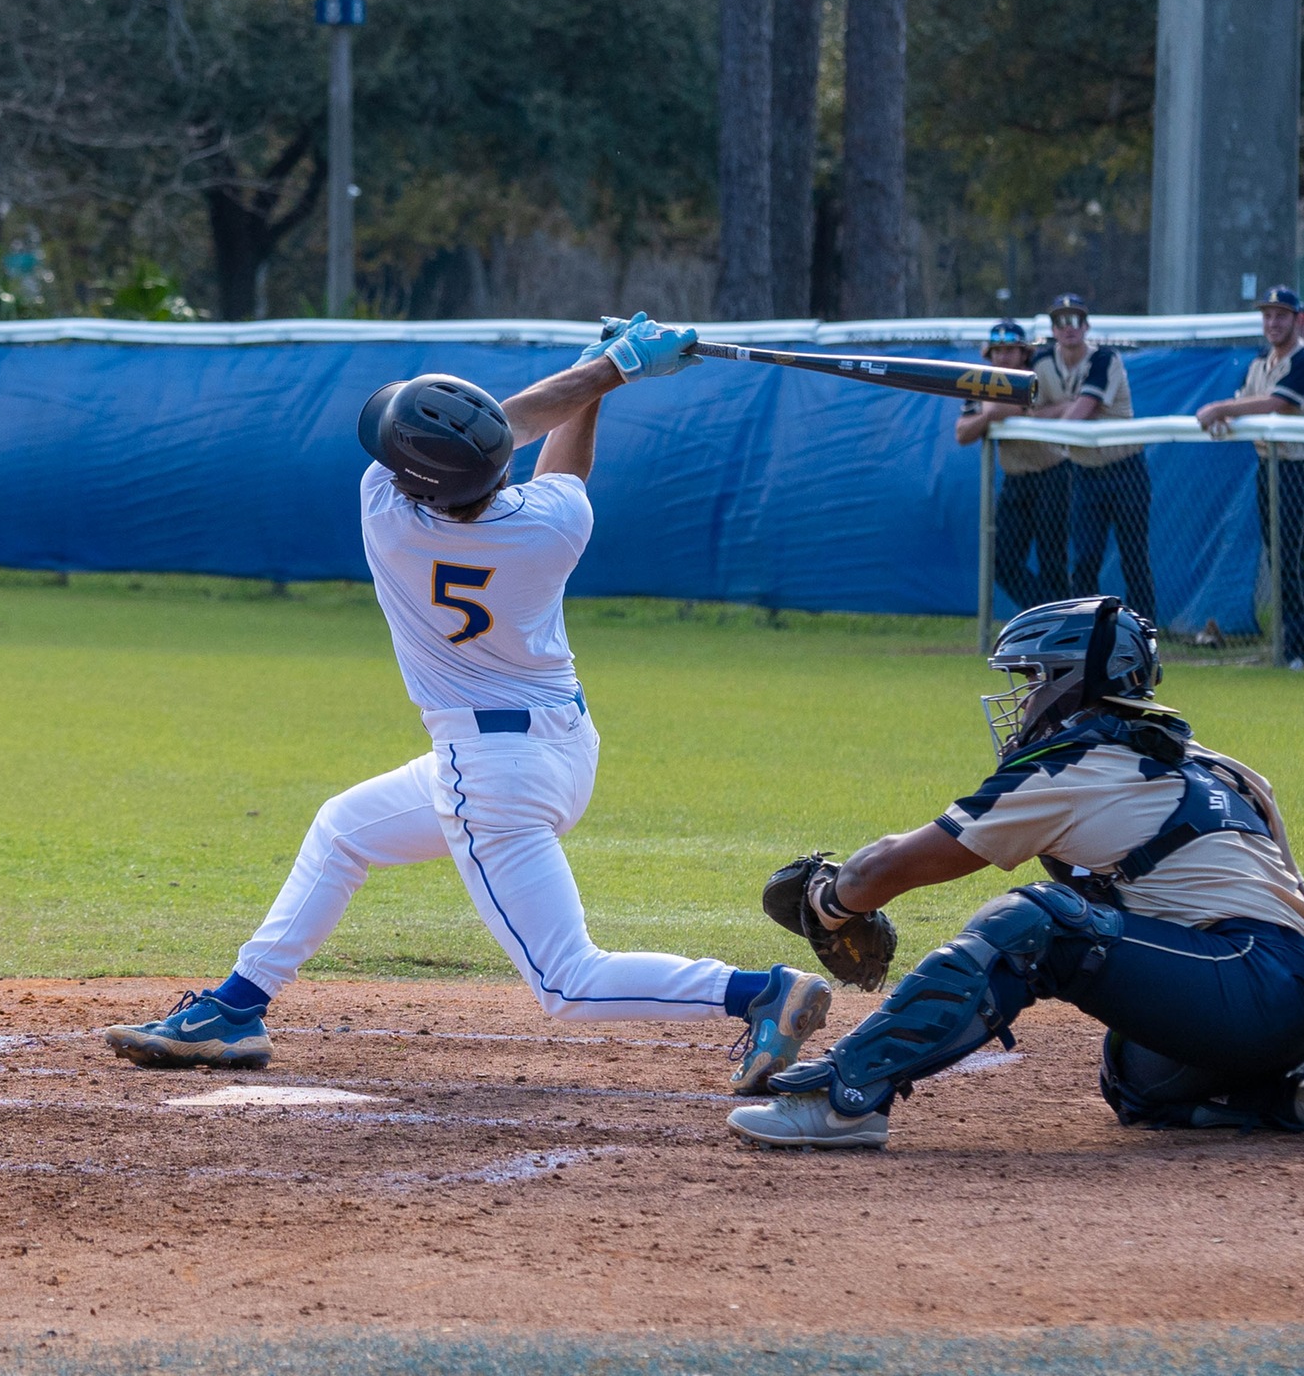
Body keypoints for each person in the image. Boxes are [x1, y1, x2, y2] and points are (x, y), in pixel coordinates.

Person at [102, 315, 834, 1094]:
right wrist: (604, 373)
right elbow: (524, 445)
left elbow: (507, 428)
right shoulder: (554, 526)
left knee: (567, 982)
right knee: (343, 829)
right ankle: (234, 1007)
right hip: (561, 745)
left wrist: (606, 367)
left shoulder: (384, 509)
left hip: (486, 773)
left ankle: (759, 991)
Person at [726, 597, 1304, 1150]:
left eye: (1030, 680)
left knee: (1034, 920)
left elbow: (895, 863)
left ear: (1068, 681)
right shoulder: (1220, 767)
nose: (1021, 700)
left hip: (1250, 979)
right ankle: (1298, 1095)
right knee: (1137, 1076)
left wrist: (828, 898)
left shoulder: (1071, 764)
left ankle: (843, 1099)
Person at [1195, 286, 1304, 669]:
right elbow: (1247, 406)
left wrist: (1221, 407)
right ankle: (1288, 646)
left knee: (1290, 555)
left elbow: (1278, 403)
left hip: (1300, 465)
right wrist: (1228, 418)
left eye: (1281, 315)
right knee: (1278, 555)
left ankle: (1302, 649)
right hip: (1269, 464)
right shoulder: (1259, 364)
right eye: (1267, 315)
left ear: (1297, 319)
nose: (1272, 322)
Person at [1035, 294, 1154, 622]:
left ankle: (1145, 633)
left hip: (1124, 467)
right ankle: (1089, 634)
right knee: (1084, 558)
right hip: (1085, 471)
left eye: (1075, 320)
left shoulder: (1105, 360)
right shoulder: (1043, 362)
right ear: (1053, 329)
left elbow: (1082, 411)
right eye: (1061, 321)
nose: (1068, 328)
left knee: (1134, 556)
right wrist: (1063, 408)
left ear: (1086, 326)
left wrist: (1056, 412)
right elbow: (1030, 409)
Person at [958, 319, 1069, 609]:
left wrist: (992, 413)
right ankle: (1047, 615)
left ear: (1024, 353)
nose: (1002, 357)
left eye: (1010, 350)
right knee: (1003, 562)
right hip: (1016, 479)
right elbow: (962, 432)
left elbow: (1008, 406)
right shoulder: (980, 381)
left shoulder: (1038, 375)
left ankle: (1059, 624)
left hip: (1052, 474)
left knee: (1052, 561)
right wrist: (986, 418)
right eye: (996, 351)